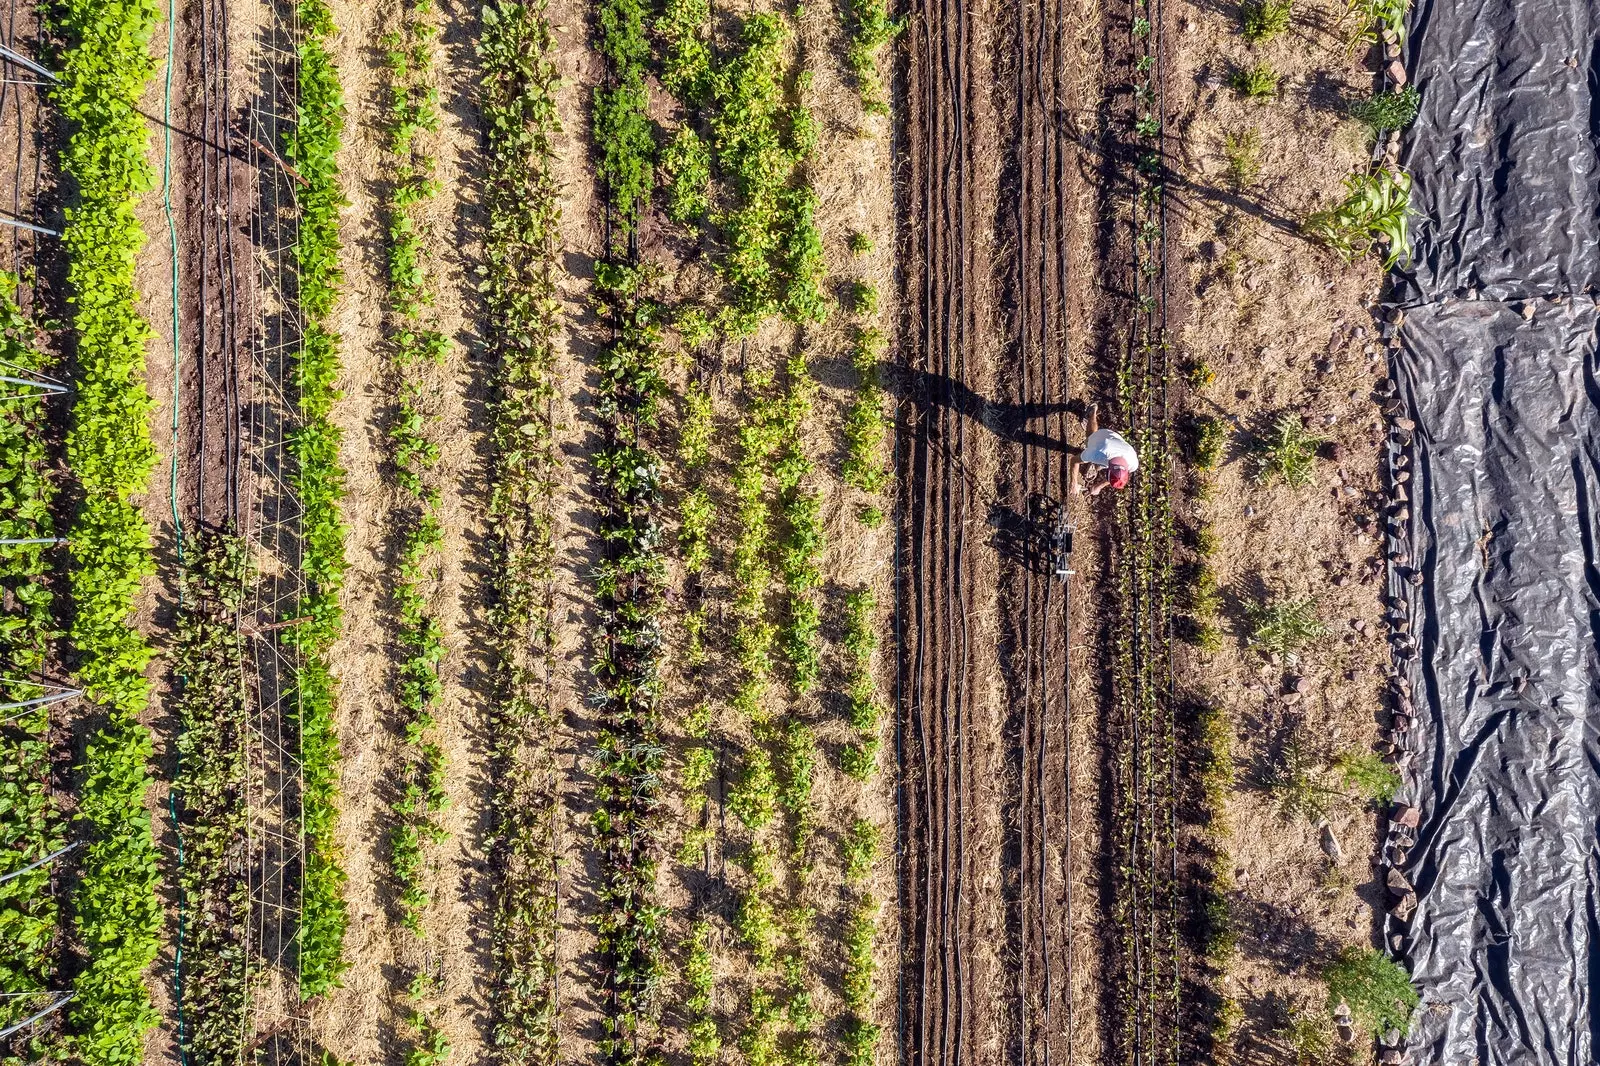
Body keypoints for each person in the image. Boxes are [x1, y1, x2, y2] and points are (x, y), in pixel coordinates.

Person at [1068, 404, 1139, 495]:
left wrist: (1099, 486)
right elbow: (1074, 460)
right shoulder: (1098, 451)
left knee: (1098, 467)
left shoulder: (1133, 463)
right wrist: (1073, 483)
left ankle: (1094, 466)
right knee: (1090, 436)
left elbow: (1117, 476)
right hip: (1104, 436)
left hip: (1118, 442)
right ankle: (1092, 412)